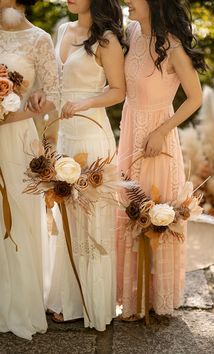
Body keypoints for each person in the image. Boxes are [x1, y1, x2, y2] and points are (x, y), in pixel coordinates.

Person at [31, 0, 126, 331]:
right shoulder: (62, 29)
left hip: (92, 134)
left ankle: (94, 303)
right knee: (65, 216)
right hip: (66, 137)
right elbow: (58, 86)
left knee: (92, 221)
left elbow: (119, 91)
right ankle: (67, 300)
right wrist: (43, 99)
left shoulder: (108, 39)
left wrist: (84, 102)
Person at [117, 0, 206, 320]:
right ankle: (132, 298)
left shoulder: (172, 44)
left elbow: (195, 97)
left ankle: (155, 298)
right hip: (129, 132)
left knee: (154, 214)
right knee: (129, 209)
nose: (126, 1)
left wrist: (160, 132)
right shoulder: (132, 31)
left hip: (158, 139)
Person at [0, 0, 59, 340]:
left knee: (19, 216)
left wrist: (27, 109)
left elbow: (52, 93)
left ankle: (19, 305)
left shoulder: (39, 39)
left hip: (18, 137)